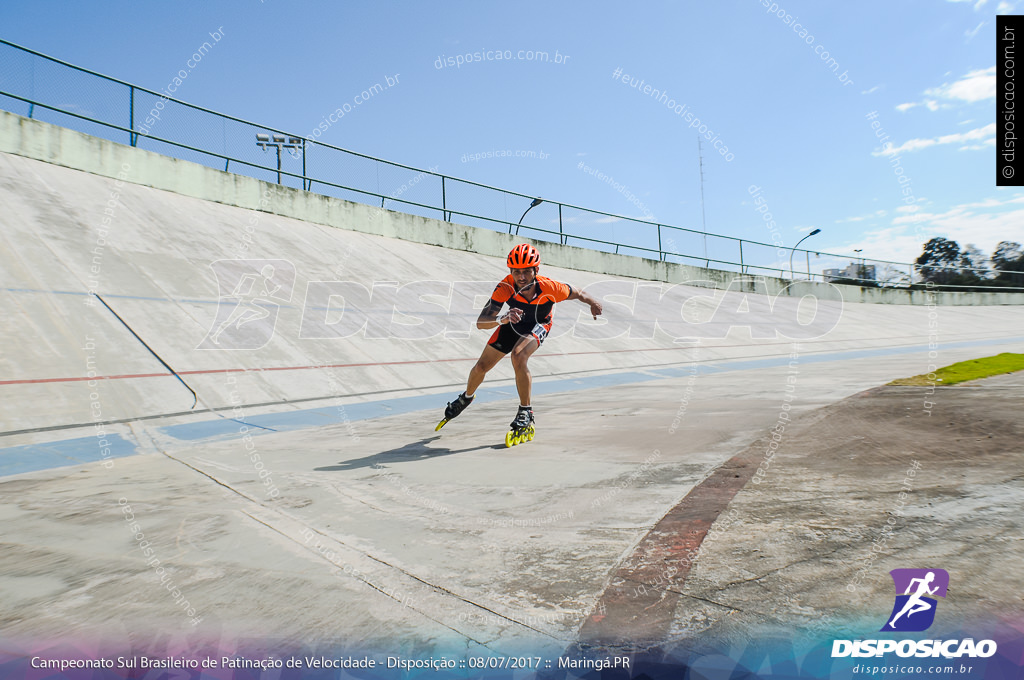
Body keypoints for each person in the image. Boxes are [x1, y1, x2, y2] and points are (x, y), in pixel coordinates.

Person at [437, 243, 603, 437]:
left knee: (518, 355)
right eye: (516, 272)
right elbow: (481, 322)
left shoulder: (550, 287)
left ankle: (526, 410)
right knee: (481, 367)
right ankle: (466, 398)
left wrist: (593, 302)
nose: (521, 277)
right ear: (511, 272)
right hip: (512, 324)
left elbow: (579, 293)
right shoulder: (505, 286)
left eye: (526, 272)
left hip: (539, 324)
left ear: (536, 270)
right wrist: (502, 319)